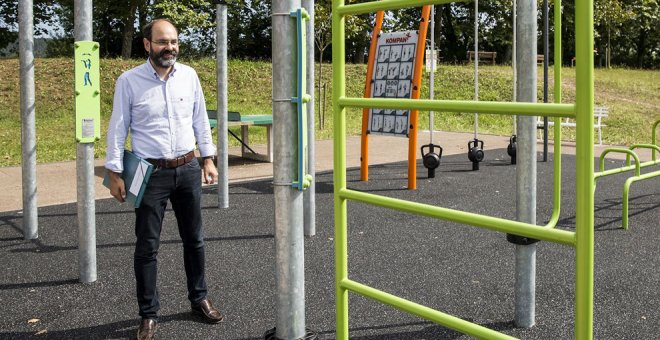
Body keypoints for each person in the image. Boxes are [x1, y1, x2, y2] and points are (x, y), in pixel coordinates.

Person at [105, 18, 223, 340]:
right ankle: (148, 314)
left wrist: (208, 159)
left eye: (172, 42)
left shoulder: (189, 76)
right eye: (161, 42)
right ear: (147, 45)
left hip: (186, 169)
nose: (168, 47)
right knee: (147, 246)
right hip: (149, 174)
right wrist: (114, 173)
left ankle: (199, 298)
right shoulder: (129, 81)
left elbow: (200, 119)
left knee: (194, 239)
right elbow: (118, 128)